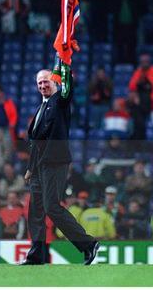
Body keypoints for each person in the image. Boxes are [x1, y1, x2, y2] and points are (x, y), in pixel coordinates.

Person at [22, 68, 98, 265]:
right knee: (35, 211)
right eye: (39, 83)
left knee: (51, 207)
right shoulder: (42, 107)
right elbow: (36, 142)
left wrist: (66, 70)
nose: (42, 85)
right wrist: (30, 168)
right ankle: (36, 255)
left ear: (55, 82)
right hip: (39, 166)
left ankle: (88, 244)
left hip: (55, 162)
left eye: (46, 81)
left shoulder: (59, 102)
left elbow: (68, 91)